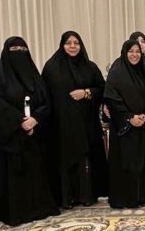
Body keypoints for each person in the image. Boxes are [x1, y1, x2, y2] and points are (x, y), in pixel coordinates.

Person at [0, 37, 59, 225]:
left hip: (34, 134)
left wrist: (35, 119)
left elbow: (46, 101)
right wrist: (19, 122)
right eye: (14, 48)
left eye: (22, 48)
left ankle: (40, 208)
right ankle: (18, 212)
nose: (19, 52)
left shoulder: (34, 75)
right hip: (11, 137)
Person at [41, 31, 107, 208]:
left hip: (86, 124)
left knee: (85, 160)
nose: (72, 46)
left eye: (76, 43)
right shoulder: (51, 68)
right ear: (62, 45)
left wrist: (86, 92)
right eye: (68, 43)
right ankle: (66, 198)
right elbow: (43, 95)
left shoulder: (90, 67)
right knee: (64, 160)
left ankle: (86, 196)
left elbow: (102, 89)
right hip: (61, 125)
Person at [104, 40, 145, 208]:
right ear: (124, 53)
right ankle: (125, 198)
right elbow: (111, 98)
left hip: (144, 126)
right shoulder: (116, 73)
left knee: (144, 161)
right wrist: (129, 117)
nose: (134, 55)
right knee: (126, 162)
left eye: (137, 51)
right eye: (131, 51)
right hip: (125, 129)